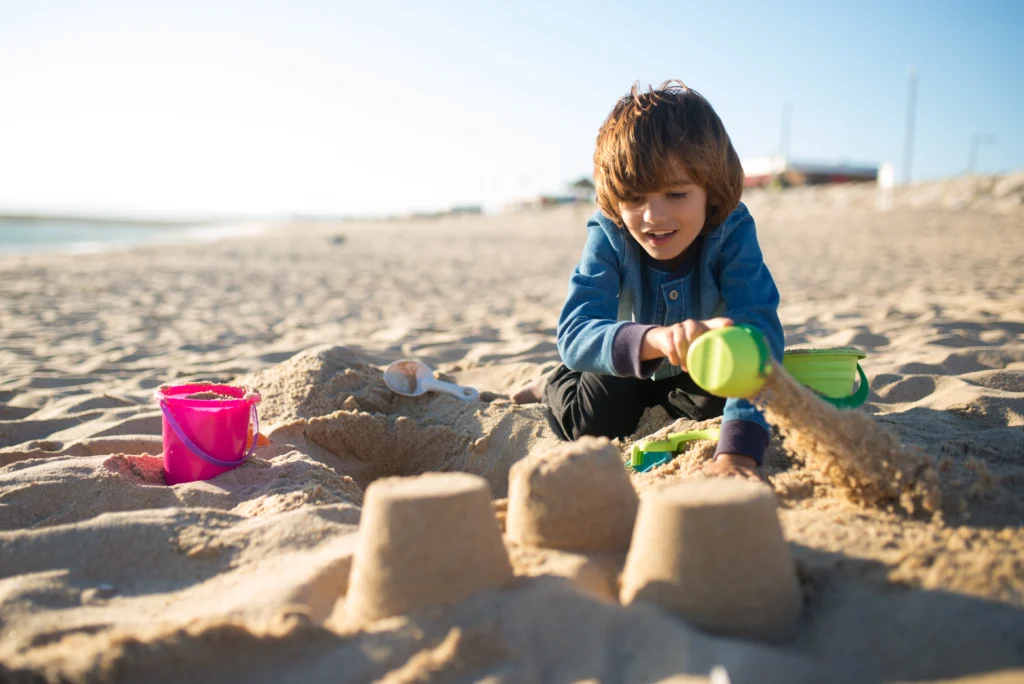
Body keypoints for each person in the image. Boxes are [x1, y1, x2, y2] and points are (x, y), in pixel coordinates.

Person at [514, 80, 784, 479]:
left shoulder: (732, 230)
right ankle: (551, 385)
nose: (653, 217)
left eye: (676, 194)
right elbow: (574, 333)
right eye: (635, 198)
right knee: (595, 425)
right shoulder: (608, 232)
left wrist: (739, 453)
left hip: (695, 363)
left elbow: (759, 328)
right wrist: (655, 338)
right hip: (622, 364)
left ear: (711, 190)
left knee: (720, 407)